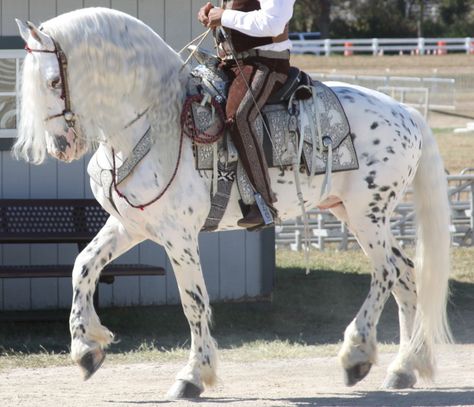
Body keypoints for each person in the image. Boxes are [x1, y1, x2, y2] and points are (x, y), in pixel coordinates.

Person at [198, 0, 295, 228]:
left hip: (266, 62)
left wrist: (224, 16)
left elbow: (274, 23)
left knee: (238, 116)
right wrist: (211, 13)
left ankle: (265, 204)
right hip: (231, 63)